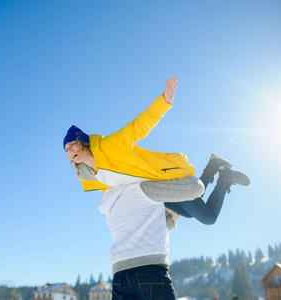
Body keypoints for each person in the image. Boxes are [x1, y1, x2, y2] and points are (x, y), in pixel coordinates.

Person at [63, 78, 250, 299]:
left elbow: (139, 126)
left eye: (72, 144)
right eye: (66, 149)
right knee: (190, 214)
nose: (69, 150)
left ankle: (222, 175)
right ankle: (214, 167)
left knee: (207, 216)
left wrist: (164, 101)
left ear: (82, 142)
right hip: (147, 197)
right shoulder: (89, 179)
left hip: (160, 182)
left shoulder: (110, 146)